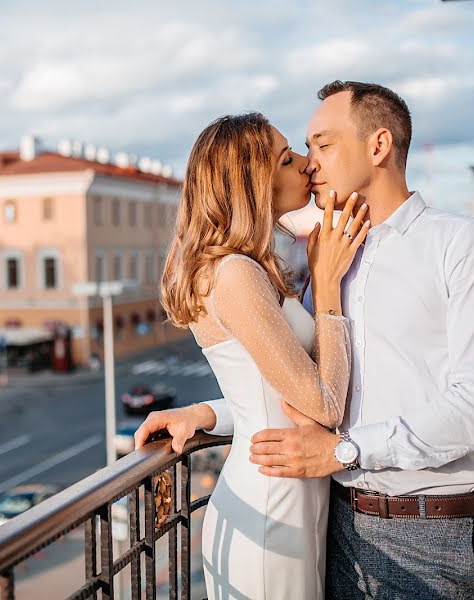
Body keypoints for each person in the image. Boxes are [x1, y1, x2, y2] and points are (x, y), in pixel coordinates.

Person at [136, 81, 474, 600]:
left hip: (427, 530)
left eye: (321, 144)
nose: (309, 163)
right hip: (334, 518)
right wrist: (209, 413)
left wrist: (344, 450)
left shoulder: (462, 243)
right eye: (299, 152)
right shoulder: (331, 259)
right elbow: (299, 389)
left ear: (378, 146)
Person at [152, 111, 368, 598]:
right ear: (254, 180)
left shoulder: (251, 267)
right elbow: (324, 404)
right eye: (287, 158)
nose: (305, 167)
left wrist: (206, 412)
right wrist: (328, 288)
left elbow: (267, 392)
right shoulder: (235, 274)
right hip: (273, 506)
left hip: (292, 493)